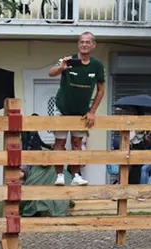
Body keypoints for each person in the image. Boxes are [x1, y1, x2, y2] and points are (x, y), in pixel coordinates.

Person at [48, 31, 105, 186]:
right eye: (81, 42)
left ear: (93, 45)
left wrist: (92, 111)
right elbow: (50, 73)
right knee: (59, 142)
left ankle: (76, 175)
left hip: (81, 111)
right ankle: (59, 175)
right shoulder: (69, 60)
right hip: (62, 108)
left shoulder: (97, 65)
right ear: (78, 44)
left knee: (77, 143)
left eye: (87, 42)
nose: (84, 44)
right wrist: (61, 67)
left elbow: (101, 89)